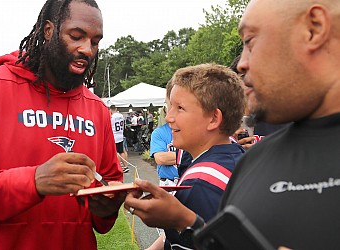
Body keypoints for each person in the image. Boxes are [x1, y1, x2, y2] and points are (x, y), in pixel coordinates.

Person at [127, 0, 340, 249]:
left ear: (314, 28)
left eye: (250, 41)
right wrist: (185, 222)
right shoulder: (254, 159)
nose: (241, 63)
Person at [0, 1, 125, 249]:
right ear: (48, 31)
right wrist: (33, 181)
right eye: (76, 36)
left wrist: (107, 206)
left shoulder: (97, 109)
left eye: (95, 42)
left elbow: (105, 206)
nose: (87, 49)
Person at [128, 64, 246, 250]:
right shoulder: (238, 155)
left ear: (214, 119)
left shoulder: (199, 184)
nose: (169, 118)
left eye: (180, 108)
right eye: (170, 107)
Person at [150, 80, 178, 187]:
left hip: (188, 181)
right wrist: (191, 156)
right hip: (168, 183)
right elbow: (161, 159)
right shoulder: (159, 132)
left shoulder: (191, 130)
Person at [109, 105, 129, 173]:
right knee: (122, 151)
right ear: (116, 108)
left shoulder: (112, 117)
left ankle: (119, 166)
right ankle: (125, 166)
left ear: (110, 110)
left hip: (114, 135)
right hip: (120, 134)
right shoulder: (121, 116)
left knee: (116, 152)